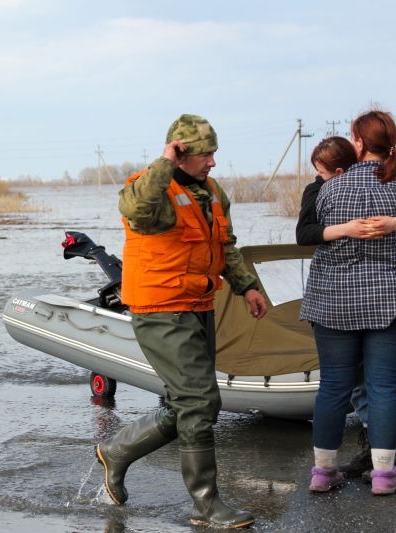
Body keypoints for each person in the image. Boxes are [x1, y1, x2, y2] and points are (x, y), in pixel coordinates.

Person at [95, 114, 267, 529]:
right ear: (182, 152)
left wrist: (246, 286)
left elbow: (225, 244)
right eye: (207, 154)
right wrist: (164, 163)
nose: (212, 163)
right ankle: (206, 505)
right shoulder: (150, 185)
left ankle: (117, 451)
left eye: (214, 154)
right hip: (159, 309)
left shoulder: (212, 192)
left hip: (198, 305)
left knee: (188, 403)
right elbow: (136, 211)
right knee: (198, 402)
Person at [297, 137, 396, 483]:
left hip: (333, 300)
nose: (320, 177)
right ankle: (387, 469)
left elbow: (304, 234)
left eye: (322, 171)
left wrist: (346, 231)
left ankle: (324, 472)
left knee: (335, 386)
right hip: (389, 298)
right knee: (386, 385)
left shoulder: (326, 191)